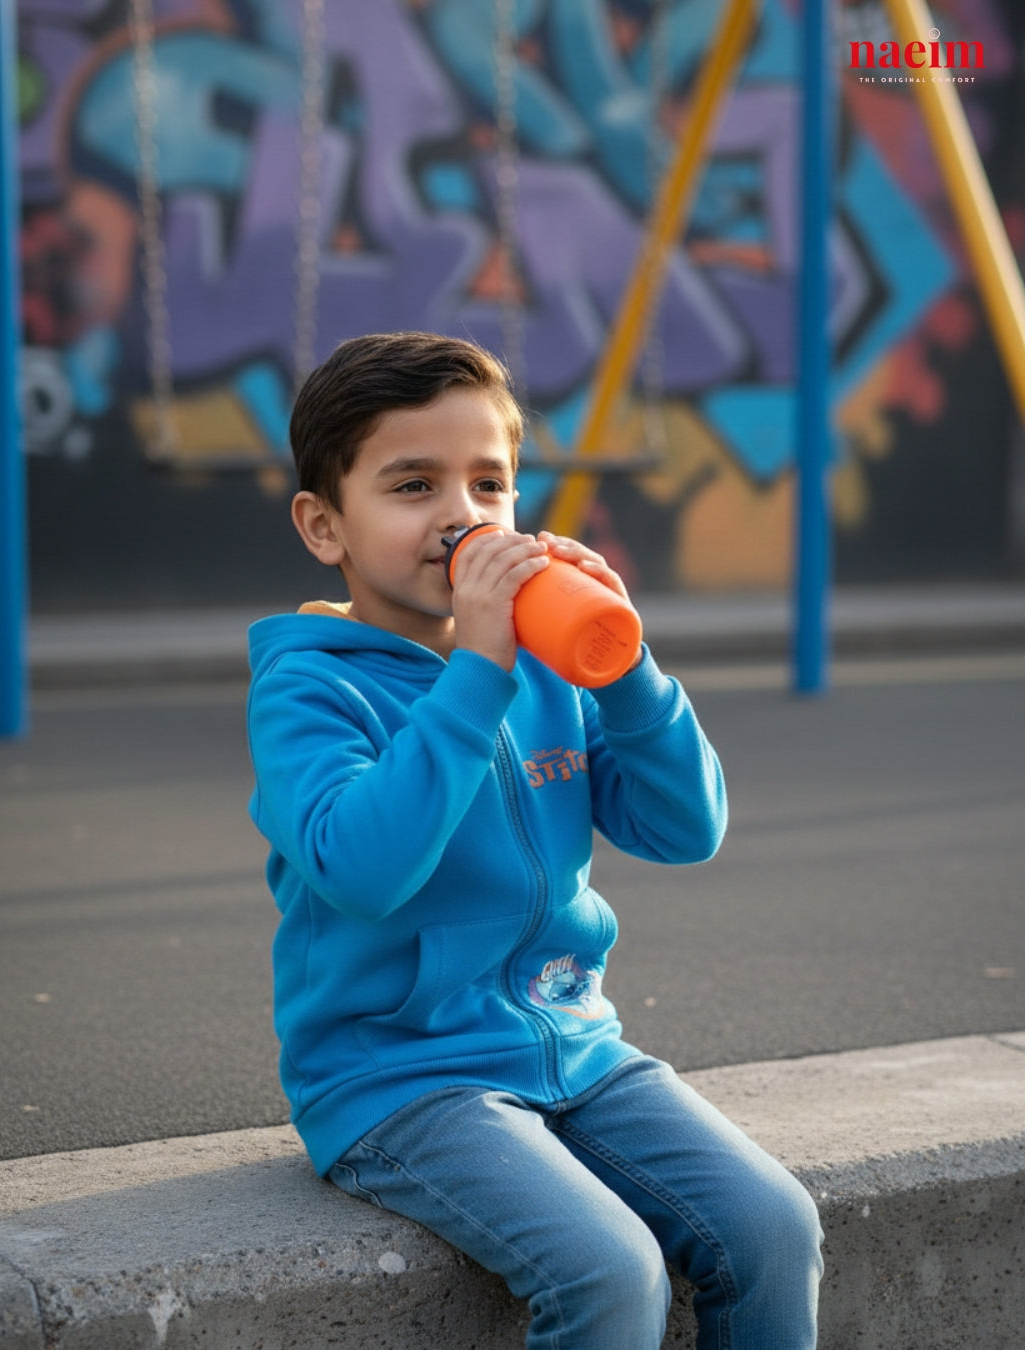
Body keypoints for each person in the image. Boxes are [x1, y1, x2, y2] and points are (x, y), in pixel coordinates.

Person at [246, 331, 823, 1349]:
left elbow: (685, 830)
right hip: (399, 1080)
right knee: (607, 1271)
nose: (460, 517)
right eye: (413, 485)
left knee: (774, 1226)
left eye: (490, 485)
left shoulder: (546, 665)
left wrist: (628, 669)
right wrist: (476, 672)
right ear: (323, 525)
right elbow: (363, 871)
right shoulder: (311, 688)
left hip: (573, 1045)